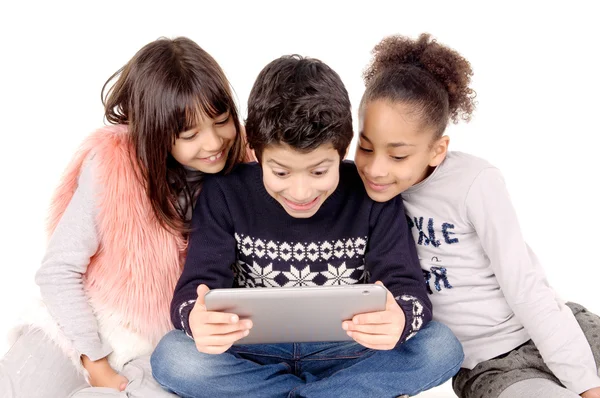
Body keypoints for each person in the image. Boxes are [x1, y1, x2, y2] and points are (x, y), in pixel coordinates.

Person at [150, 54, 464, 398]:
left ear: (343, 151)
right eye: (281, 172)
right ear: (256, 151)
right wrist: (195, 320)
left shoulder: (373, 195)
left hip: (346, 350)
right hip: (253, 352)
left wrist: (400, 319)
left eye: (319, 171)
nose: (301, 193)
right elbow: (195, 286)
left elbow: (407, 286)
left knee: (440, 347)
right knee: (173, 357)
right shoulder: (224, 192)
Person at [352, 32, 600, 398]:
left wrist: (588, 385)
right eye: (365, 146)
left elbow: (526, 286)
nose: (375, 169)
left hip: (556, 328)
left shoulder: (474, 182)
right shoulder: (351, 194)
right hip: (485, 366)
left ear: (437, 150)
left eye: (398, 155)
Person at [0, 36, 250, 398]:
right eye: (190, 134)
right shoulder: (112, 165)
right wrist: (94, 359)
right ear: (156, 133)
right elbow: (59, 271)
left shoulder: (250, 166)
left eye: (222, 121)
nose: (212, 144)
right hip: (82, 325)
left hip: (164, 348)